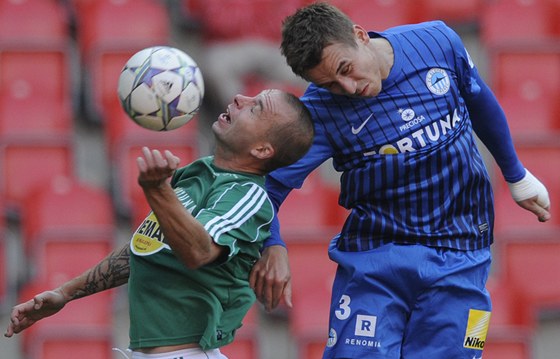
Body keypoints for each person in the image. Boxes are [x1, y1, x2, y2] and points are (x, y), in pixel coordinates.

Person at [249, 2, 552, 358]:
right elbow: (269, 186)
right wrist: (273, 244)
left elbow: (479, 101)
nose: (347, 87)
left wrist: (515, 174)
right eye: (330, 84)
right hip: (376, 259)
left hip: (463, 253)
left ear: (360, 35)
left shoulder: (437, 42)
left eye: (345, 69)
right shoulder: (320, 110)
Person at [4, 89, 314, 359]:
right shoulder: (198, 172)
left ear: (262, 150)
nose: (239, 98)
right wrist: (65, 293)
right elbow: (145, 247)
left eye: (256, 106)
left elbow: (198, 251)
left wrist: (157, 191)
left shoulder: (249, 196)